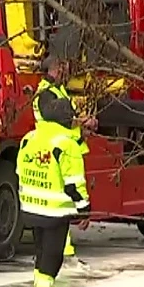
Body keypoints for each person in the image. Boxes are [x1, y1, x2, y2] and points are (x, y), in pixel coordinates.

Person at [17, 100, 91, 287]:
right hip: (54, 212)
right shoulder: (66, 144)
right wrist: (85, 210)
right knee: (52, 258)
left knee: (42, 255)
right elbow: (73, 184)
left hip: (30, 209)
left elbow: (19, 173)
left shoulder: (28, 139)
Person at [32, 56, 97, 269]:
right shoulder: (46, 94)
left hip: (58, 149)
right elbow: (57, 118)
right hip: (57, 152)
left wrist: (82, 126)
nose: (67, 70)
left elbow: (65, 118)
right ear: (56, 69)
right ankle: (63, 254)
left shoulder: (56, 90)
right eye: (63, 67)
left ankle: (64, 252)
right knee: (62, 201)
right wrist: (82, 122)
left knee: (63, 203)